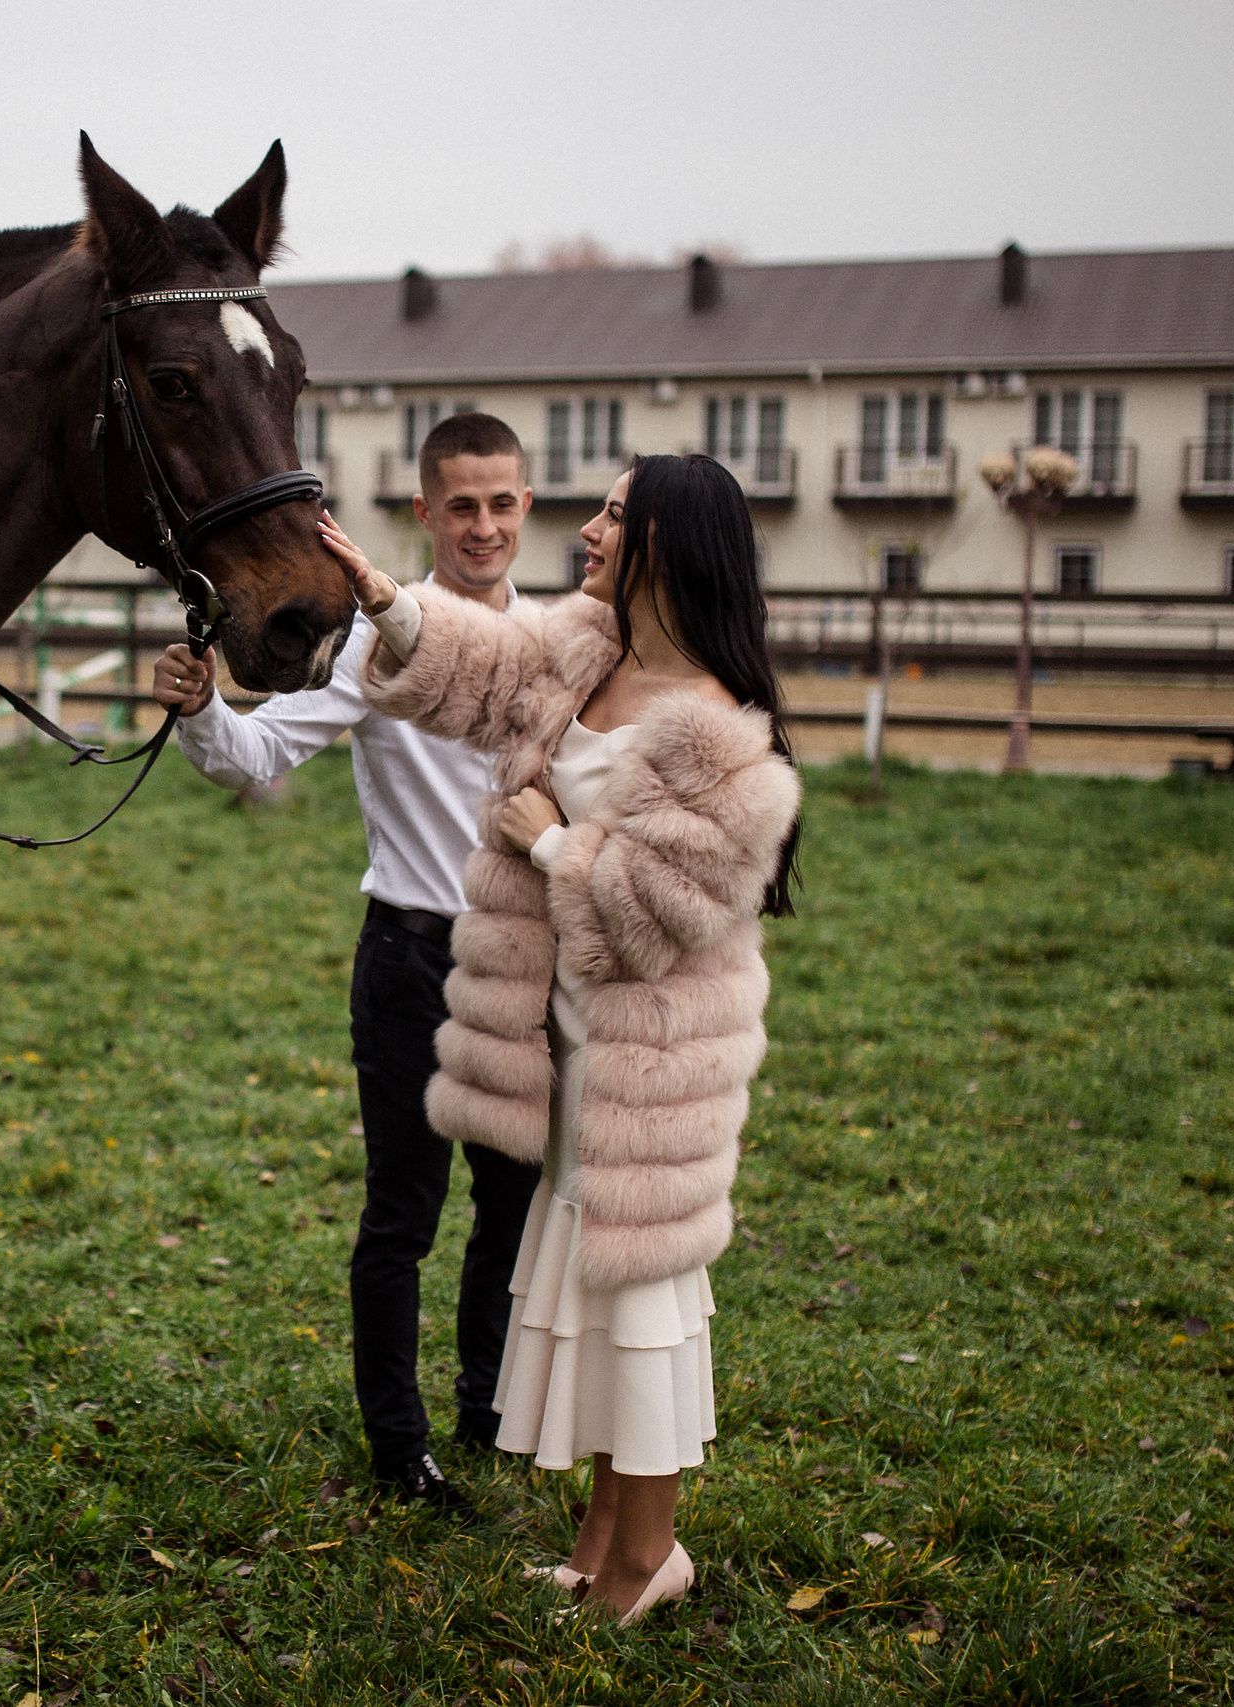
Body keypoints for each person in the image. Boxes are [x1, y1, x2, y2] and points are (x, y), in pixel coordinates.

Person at [319, 453, 802, 1624]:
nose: (586, 530)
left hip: (649, 1070)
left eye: (615, 516)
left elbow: (656, 917)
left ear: (670, 546)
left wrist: (547, 846)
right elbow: (484, 671)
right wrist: (388, 600)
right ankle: (600, 1544)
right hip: (571, 1052)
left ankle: (649, 1561)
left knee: (640, 1314)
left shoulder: (726, 742)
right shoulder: (590, 652)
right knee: (589, 1296)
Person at [151, 414, 545, 1515]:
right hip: (410, 965)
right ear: (423, 511)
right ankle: (399, 1447)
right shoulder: (375, 643)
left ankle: (492, 1406)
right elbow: (260, 749)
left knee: (510, 1212)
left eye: (501, 502)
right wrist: (200, 712)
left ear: (526, 508)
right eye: (459, 504)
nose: (482, 525)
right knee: (402, 1220)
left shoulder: (560, 643)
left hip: (522, 971)